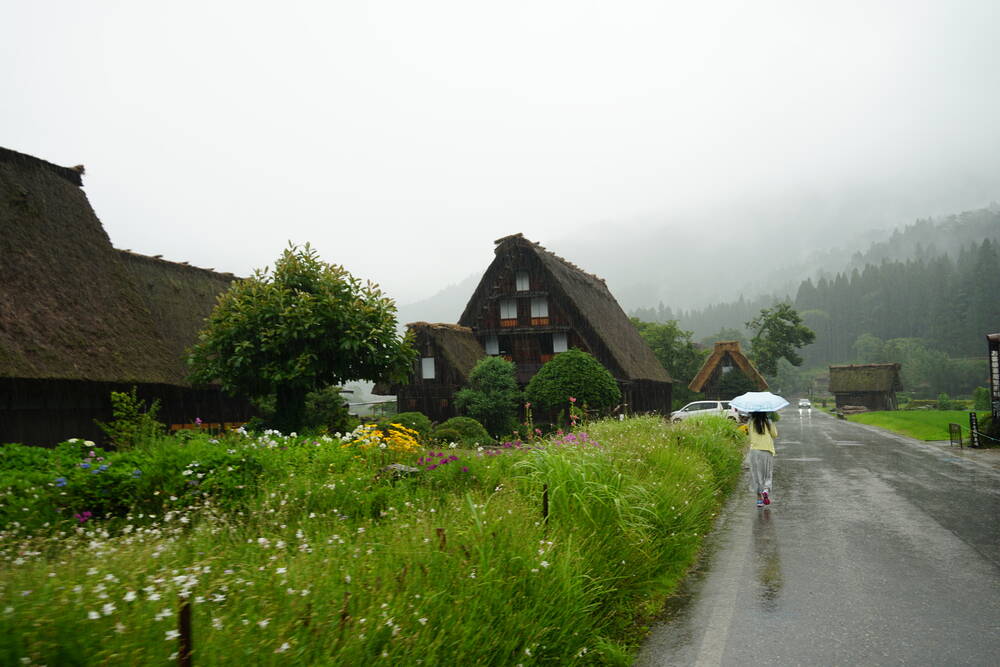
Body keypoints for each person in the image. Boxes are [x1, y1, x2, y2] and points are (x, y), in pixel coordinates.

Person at [746, 411, 777, 507]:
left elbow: (749, 435)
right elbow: (775, 434)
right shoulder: (768, 421)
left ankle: (759, 500)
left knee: (756, 475)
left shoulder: (750, 422)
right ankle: (766, 490)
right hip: (767, 450)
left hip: (754, 451)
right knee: (767, 473)